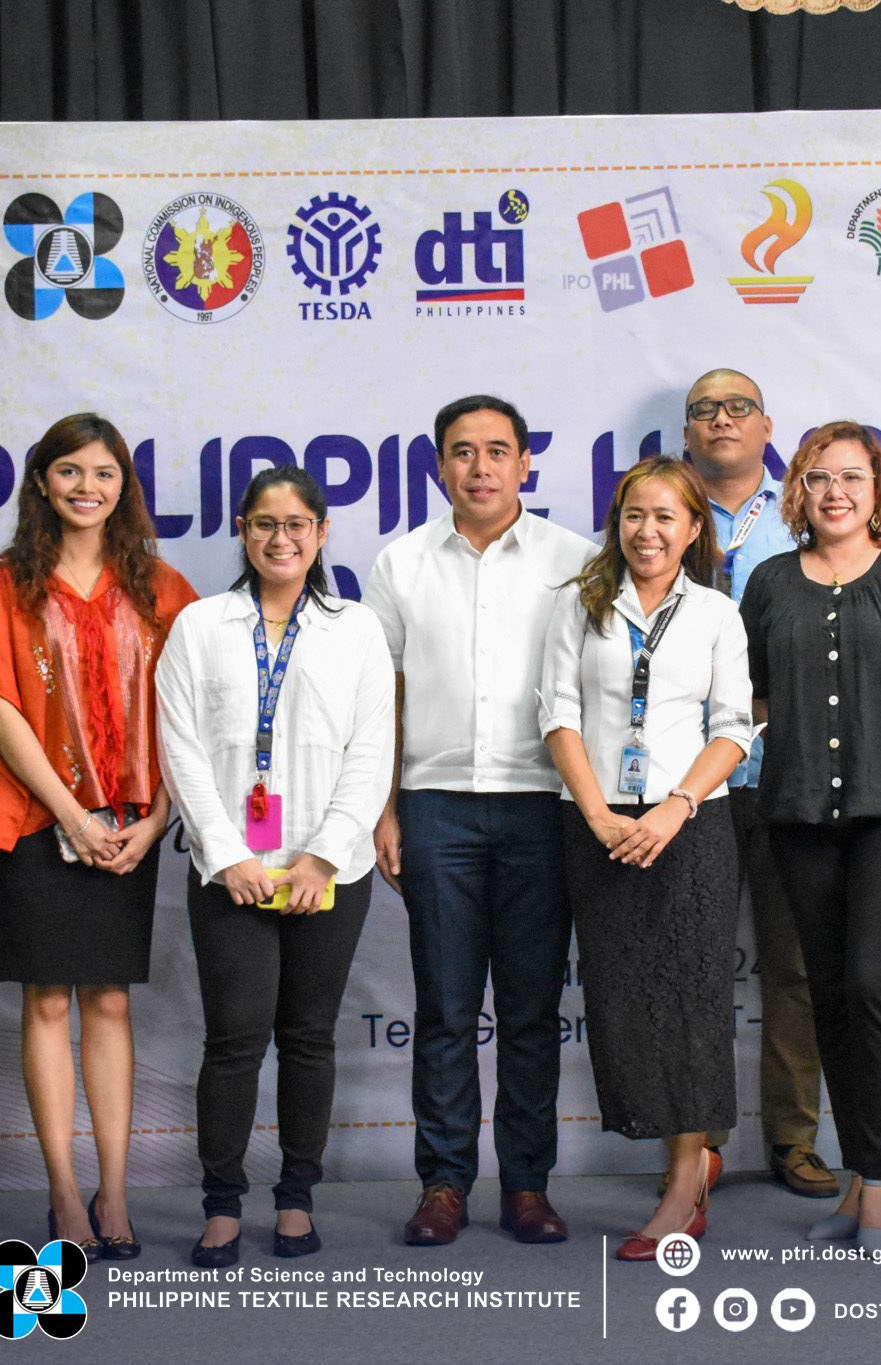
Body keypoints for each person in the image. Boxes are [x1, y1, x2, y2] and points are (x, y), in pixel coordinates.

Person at [0, 413, 198, 1261]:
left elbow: (193, 720)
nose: (87, 488)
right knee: (48, 997)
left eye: (105, 474)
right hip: (37, 822)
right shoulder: (6, 583)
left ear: (124, 486)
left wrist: (157, 817)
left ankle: (115, 1186)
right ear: (42, 483)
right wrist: (73, 815)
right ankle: (62, 1191)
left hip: (132, 830)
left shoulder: (161, 588)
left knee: (112, 1000)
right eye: (70, 472)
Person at [365, 395, 596, 1246]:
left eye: (499, 450)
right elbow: (380, 692)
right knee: (447, 1007)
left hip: (543, 806)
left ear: (526, 464)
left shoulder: (574, 559)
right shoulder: (402, 562)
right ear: (438, 466)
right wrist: (385, 806)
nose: (481, 467)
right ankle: (444, 1184)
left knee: (533, 1011)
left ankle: (528, 1185)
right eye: (463, 452)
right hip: (436, 809)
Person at [739, 421, 881, 1249]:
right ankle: (858, 1179)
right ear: (797, 492)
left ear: (880, 493)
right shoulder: (768, 582)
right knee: (829, 992)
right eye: (817, 477)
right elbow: (758, 697)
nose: (834, 490)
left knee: (872, 983)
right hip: (801, 818)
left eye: (852, 476)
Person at [158, 466, 394, 1265]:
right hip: (234, 874)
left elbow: (372, 751)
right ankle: (221, 1203)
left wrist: (321, 857)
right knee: (233, 1040)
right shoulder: (199, 625)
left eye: (297, 523)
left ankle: (296, 1197)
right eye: (265, 523)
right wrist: (227, 856)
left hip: (330, 871)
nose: (281, 538)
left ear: (322, 533)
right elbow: (180, 749)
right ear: (243, 530)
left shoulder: (356, 628)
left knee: (307, 1038)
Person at [539, 457, 753, 1258]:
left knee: (691, 1002)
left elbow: (734, 725)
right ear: (616, 521)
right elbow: (556, 712)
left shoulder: (715, 615)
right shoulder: (581, 605)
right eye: (634, 514)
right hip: (595, 826)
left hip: (689, 827)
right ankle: (684, 1153)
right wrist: (597, 811)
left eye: (666, 516)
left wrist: (673, 806)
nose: (648, 530)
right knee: (628, 998)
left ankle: (685, 1180)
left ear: (695, 529)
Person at [679, 369, 837, 1201]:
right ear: (687, 433)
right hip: (684, 781)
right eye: (704, 409)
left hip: (788, 774)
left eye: (738, 406)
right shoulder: (663, 514)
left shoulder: (804, 515)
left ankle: (794, 1137)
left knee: (795, 966)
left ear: (768, 425)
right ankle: (694, 1139)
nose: (722, 420)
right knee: (695, 962)